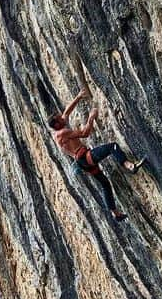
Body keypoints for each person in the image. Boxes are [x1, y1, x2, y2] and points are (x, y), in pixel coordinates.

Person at [48, 88, 144, 222]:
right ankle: (129, 166)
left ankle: (115, 213)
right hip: (85, 157)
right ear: (58, 124)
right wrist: (91, 117)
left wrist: (78, 97)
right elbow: (85, 133)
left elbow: (66, 113)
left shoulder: (57, 128)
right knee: (112, 147)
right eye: (60, 119)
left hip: (83, 163)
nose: (63, 118)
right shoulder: (62, 134)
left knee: (105, 184)